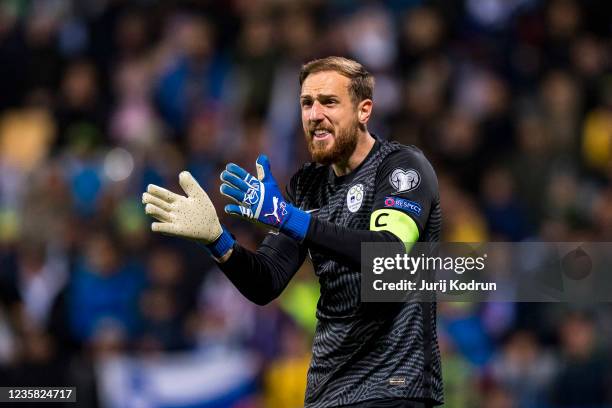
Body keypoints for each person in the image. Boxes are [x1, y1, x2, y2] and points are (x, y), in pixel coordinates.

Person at [142, 56, 443, 408]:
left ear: (364, 111)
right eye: (306, 103)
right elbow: (265, 282)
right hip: (328, 392)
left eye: (329, 102)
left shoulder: (401, 167)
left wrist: (288, 217)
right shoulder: (308, 185)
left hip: (394, 387)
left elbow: (387, 254)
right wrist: (218, 239)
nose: (315, 115)